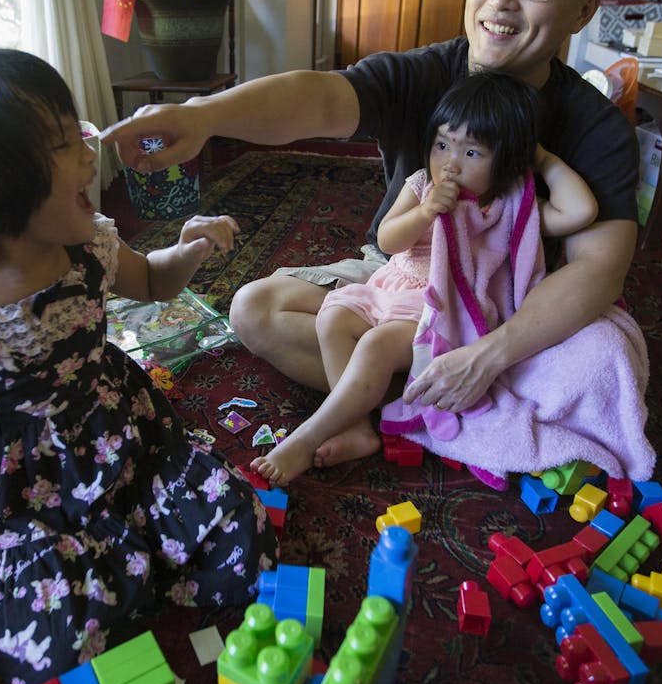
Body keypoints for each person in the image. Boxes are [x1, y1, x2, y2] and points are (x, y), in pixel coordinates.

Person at [102, 0, 638, 470]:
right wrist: (205, 115)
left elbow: (597, 269)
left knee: (604, 355)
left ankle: (427, 390)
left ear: (585, 10)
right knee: (254, 309)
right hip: (406, 277)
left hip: (506, 306)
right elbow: (321, 97)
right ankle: (415, 400)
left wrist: (488, 353)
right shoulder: (428, 71)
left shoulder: (597, 128)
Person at [0, 49, 277, 684]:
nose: (90, 153)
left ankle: (133, 554)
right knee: (51, 645)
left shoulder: (90, 244)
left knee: (244, 531)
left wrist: (189, 248)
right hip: (24, 500)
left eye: (80, 132)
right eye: (65, 144)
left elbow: (152, 279)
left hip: (127, 448)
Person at [250, 71, 597, 486]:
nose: (450, 162)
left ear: (506, 161)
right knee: (332, 318)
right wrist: (424, 212)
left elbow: (580, 212)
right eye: (443, 144)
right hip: (391, 285)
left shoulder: (506, 209)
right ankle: (357, 424)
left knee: (377, 345)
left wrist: (541, 159)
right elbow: (388, 239)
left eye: (472, 153)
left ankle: (308, 437)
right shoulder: (421, 185)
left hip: (440, 308)